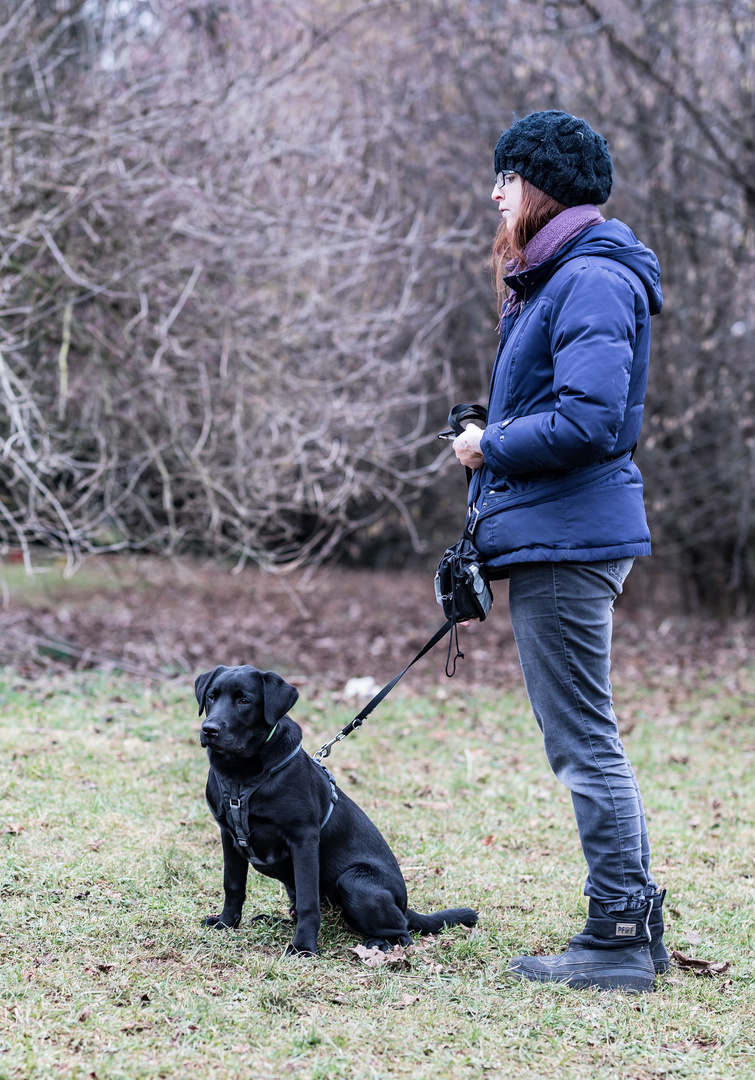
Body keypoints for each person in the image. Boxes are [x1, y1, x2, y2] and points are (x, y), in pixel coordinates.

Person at [453, 110, 666, 992]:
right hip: (557, 531)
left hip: (568, 539)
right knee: (585, 739)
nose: (493, 193)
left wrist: (486, 447)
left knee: (583, 743)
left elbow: (588, 419)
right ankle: (635, 929)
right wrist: (488, 426)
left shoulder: (587, 279)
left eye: (504, 178)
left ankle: (615, 936)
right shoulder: (555, 279)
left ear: (537, 186)